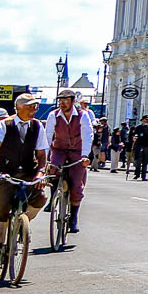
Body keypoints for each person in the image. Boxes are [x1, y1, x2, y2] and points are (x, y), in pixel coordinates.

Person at [0, 94, 50, 268]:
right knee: (1, 209)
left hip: (28, 172)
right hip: (6, 172)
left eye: (35, 106)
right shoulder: (4, 125)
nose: (34, 110)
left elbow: (41, 154)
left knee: (40, 198)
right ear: (18, 108)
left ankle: (22, 223)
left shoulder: (37, 126)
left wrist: (41, 172)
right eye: (30, 106)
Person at [38, 89, 95, 233]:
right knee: (53, 170)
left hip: (77, 151)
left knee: (76, 186)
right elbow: (48, 136)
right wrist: (45, 157)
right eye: (60, 101)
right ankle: (53, 197)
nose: (62, 104)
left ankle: (73, 218)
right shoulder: (53, 115)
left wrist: (85, 155)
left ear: (73, 101)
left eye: (66, 101)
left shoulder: (82, 115)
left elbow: (87, 135)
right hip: (59, 149)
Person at [131, 116, 148, 181]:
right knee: (138, 161)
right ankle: (137, 174)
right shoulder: (138, 127)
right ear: (142, 120)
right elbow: (134, 134)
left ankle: (143, 176)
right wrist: (134, 137)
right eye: (145, 119)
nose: (146, 121)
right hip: (140, 146)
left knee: (145, 162)